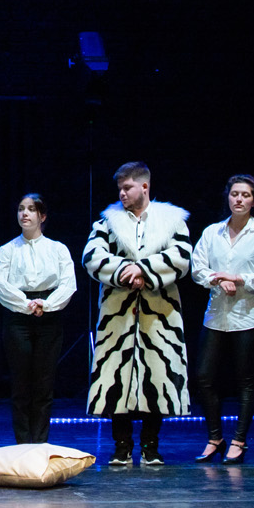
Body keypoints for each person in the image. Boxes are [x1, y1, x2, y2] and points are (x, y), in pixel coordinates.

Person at [83, 162, 192, 466]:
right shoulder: (108, 222)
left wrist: (144, 270)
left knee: (156, 376)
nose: (122, 193)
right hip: (118, 314)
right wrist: (125, 272)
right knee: (117, 377)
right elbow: (92, 256)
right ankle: (121, 445)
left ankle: (150, 445)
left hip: (159, 313)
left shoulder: (171, 221)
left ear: (144, 186)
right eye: (120, 188)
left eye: (127, 187)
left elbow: (182, 257)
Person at [190, 175, 254, 464]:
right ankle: (215, 438)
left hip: (248, 316)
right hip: (216, 313)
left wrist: (238, 278)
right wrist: (218, 279)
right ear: (228, 197)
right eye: (235, 194)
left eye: (246, 195)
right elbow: (197, 268)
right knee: (204, 376)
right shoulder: (212, 232)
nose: (239, 199)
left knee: (245, 379)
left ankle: (239, 440)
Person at [0, 193, 77, 443]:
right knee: (21, 383)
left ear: (42, 216)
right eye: (21, 209)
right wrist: (26, 304)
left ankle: (39, 442)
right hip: (18, 317)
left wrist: (46, 304)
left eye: (30, 209)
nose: (24, 214)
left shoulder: (57, 249)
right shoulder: (7, 250)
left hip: (49, 316)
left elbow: (68, 284)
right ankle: (23, 443)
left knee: (44, 382)